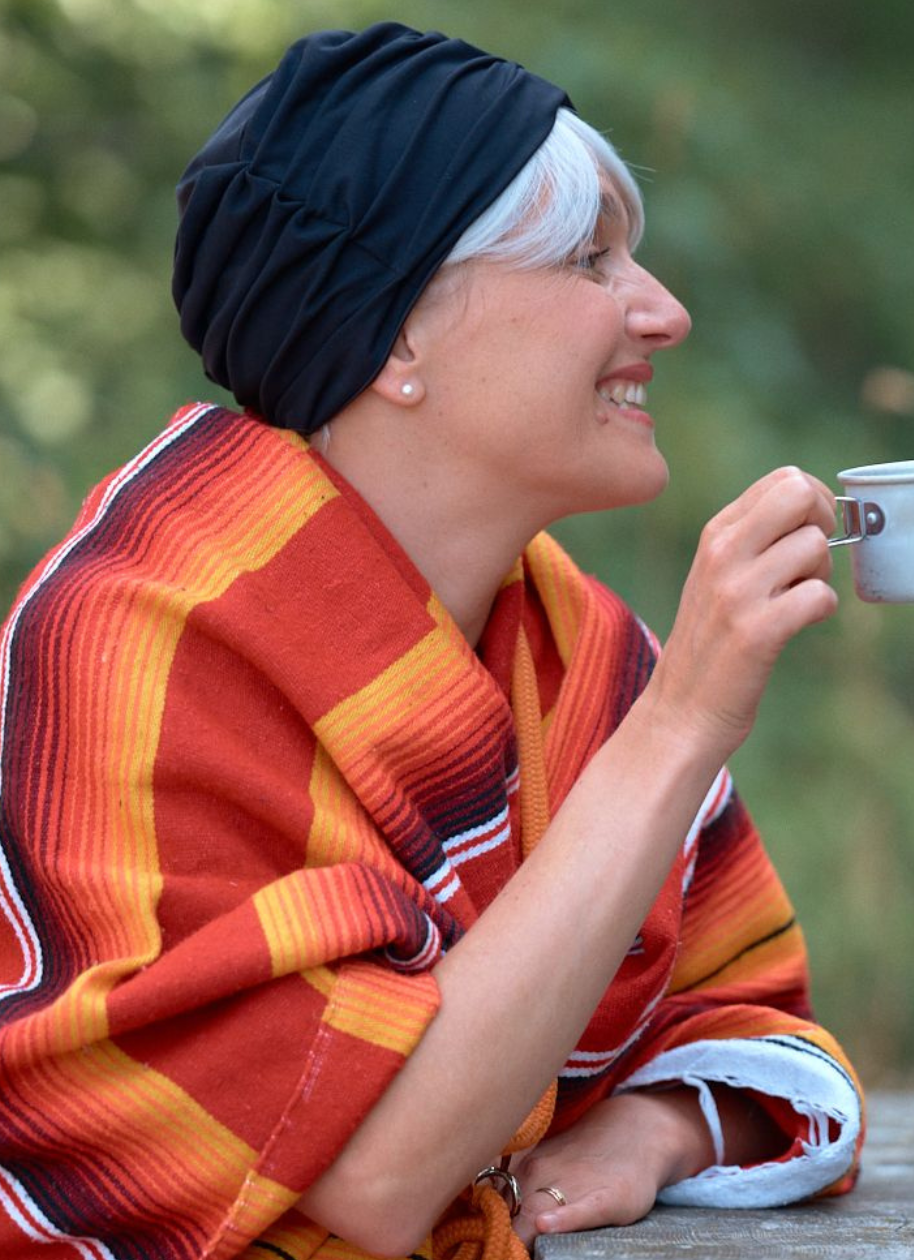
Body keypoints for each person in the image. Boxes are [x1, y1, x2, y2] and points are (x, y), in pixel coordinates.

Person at [0, 24, 862, 1259]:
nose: (662, 312)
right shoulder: (129, 644)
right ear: (397, 336)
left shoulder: (579, 651)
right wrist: (683, 730)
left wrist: (664, 1126)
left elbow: (738, 1006)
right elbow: (367, 1171)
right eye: (589, 262)